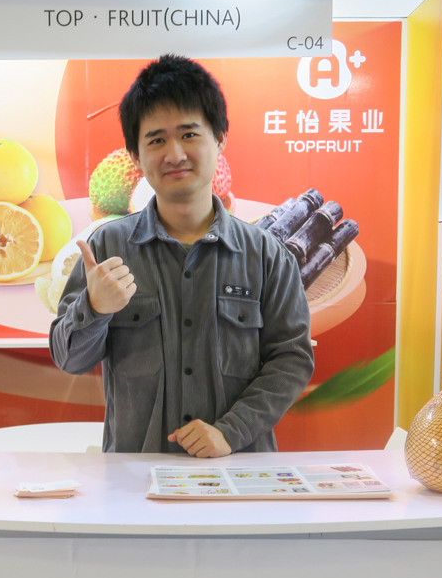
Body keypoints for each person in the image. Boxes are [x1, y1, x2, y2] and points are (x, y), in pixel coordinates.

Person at [49, 54, 314, 456]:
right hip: (136, 478)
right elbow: (69, 360)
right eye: (156, 140)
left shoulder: (267, 254)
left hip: (237, 474)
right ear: (135, 156)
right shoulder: (107, 248)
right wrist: (94, 307)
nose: (174, 154)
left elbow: (291, 359)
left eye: (189, 134)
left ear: (220, 139)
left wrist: (231, 431)